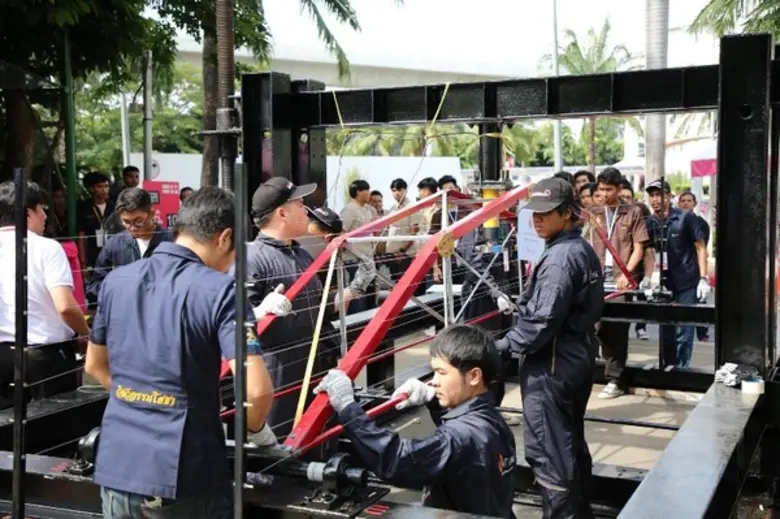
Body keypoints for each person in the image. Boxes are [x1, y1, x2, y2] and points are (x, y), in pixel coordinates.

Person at [84, 186, 275, 519]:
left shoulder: (116, 281)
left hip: (118, 464)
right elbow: (256, 392)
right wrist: (257, 432)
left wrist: (141, 401)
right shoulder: (222, 291)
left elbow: (94, 365)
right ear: (225, 238)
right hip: (186, 475)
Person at [314, 325, 516, 518]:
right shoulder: (493, 420)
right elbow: (458, 454)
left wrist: (348, 408)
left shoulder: (462, 437)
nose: (434, 381)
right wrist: (434, 400)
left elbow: (397, 459)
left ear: (474, 376)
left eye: (442, 372)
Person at [495, 177, 603, 519]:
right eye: (534, 213)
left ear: (568, 213)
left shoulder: (559, 258)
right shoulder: (580, 249)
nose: (537, 219)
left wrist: (498, 347)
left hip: (552, 366)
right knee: (569, 442)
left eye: (546, 212)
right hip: (576, 358)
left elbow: (539, 323)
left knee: (550, 455)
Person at [245, 176, 339, 437]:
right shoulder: (253, 259)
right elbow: (233, 323)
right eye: (300, 204)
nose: (306, 210)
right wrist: (258, 313)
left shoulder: (301, 253)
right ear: (282, 213)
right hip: (277, 373)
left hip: (313, 364)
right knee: (281, 446)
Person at [0, 181, 90, 409]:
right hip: (44, 355)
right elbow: (66, 307)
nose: (46, 216)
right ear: (28, 212)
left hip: (2, 355)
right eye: (42, 209)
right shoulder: (46, 248)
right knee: (52, 429)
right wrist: (87, 333)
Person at [590, 168, 651, 399]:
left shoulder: (632, 212)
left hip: (620, 279)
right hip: (596, 278)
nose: (604, 194)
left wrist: (627, 273)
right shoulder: (593, 213)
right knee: (596, 327)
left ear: (618, 189)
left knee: (617, 329)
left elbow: (639, 247)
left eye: (608, 189)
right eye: (601, 189)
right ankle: (600, 371)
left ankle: (616, 380)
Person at [645, 180, 709, 367]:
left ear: (669, 196)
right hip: (663, 281)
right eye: (652, 195)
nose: (656, 199)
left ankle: (682, 368)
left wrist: (703, 278)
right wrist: (648, 278)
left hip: (687, 279)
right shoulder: (650, 222)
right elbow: (649, 252)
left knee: (684, 326)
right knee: (666, 326)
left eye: (660, 194)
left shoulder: (685, 218)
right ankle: (668, 365)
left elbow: (700, 247)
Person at [86, 188, 174, 304]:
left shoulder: (172, 241)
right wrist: (123, 288)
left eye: (138, 221)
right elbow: (94, 287)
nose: (132, 227)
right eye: (126, 222)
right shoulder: (115, 244)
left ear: (152, 213)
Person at [306, 206, 376, 312]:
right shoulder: (293, 254)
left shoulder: (338, 264)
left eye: (309, 234)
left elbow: (368, 268)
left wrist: (351, 293)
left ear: (328, 239)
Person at [78, 172, 115, 270]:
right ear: (91, 189)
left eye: (106, 186)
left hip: (112, 257)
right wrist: (83, 264)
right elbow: (82, 236)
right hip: (92, 257)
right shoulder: (84, 207)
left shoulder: (113, 207)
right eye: (99, 186)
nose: (104, 190)